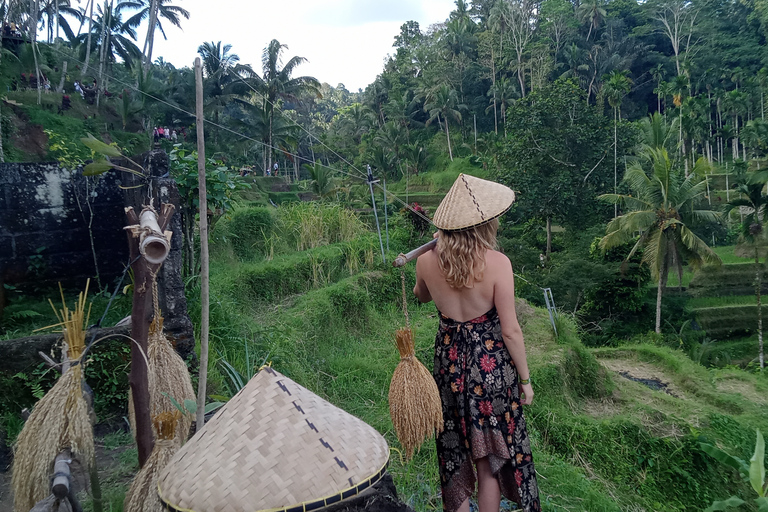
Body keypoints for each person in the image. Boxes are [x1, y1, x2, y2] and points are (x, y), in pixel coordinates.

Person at [413, 174, 540, 512]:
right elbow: (511, 330)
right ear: (484, 223)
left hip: (450, 366)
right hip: (490, 371)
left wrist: (434, 254)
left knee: (454, 453)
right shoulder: (497, 264)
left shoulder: (425, 261)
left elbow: (421, 296)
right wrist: (525, 380)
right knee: (489, 462)